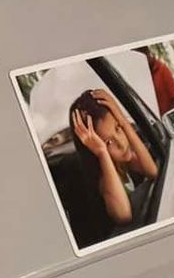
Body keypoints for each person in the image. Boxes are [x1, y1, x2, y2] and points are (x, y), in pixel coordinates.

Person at [68, 86, 160, 233]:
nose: (121, 143)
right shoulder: (104, 181)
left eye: (118, 128)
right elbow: (124, 216)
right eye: (108, 142)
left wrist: (123, 120)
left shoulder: (123, 162)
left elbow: (153, 172)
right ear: (92, 148)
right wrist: (102, 152)